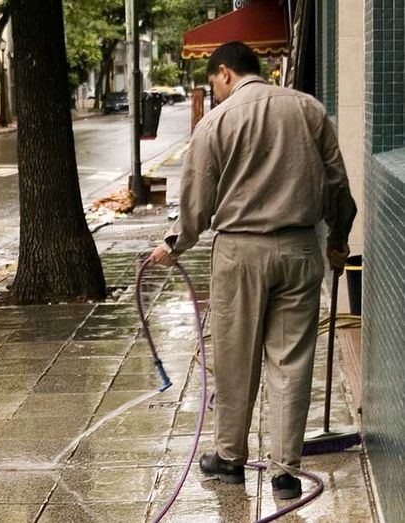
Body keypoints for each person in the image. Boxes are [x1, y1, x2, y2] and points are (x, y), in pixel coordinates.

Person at [150, 41, 356, 500]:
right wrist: (339, 239)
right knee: (291, 361)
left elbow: (197, 202)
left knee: (236, 357)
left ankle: (229, 458)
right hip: (301, 248)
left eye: (213, 83)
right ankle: (284, 471)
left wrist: (173, 245)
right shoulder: (308, 110)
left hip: (240, 252)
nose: (215, 92)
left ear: (225, 73)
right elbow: (337, 181)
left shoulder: (216, 122)